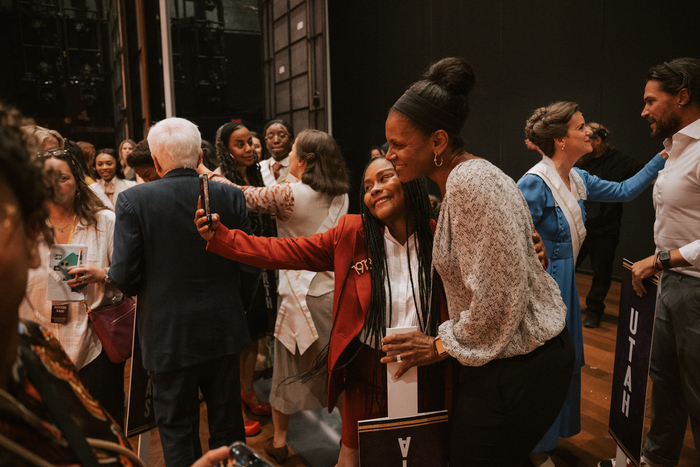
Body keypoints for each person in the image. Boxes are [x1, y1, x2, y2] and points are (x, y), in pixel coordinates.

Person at [380, 57, 575, 467]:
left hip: (519, 366)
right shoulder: (466, 179)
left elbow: (498, 297)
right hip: (513, 360)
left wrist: (438, 344)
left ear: (437, 142)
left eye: (398, 144)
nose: (389, 155)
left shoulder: (469, 182)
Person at [196, 156, 450, 467]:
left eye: (384, 179)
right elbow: (282, 251)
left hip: (429, 367)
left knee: (425, 454)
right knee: (350, 458)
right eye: (368, 186)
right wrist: (221, 237)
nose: (375, 190)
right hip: (368, 371)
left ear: (409, 179)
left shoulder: (438, 235)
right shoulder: (351, 233)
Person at [519, 102, 666, 466]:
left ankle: (550, 436)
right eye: (581, 127)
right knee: (545, 366)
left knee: (567, 363)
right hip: (545, 288)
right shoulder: (534, 183)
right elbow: (515, 242)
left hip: (567, 286)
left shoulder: (579, 178)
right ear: (560, 140)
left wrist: (664, 156)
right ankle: (535, 448)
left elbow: (627, 190)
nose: (590, 133)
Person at [108, 117, 253, 467]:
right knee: (229, 430)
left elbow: (124, 277)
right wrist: (237, 307)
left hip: (167, 334)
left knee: (177, 431)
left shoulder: (133, 201)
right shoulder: (231, 194)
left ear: (156, 162)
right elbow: (251, 264)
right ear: (199, 154)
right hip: (224, 328)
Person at [203, 128, 350, 464]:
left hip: (300, 295)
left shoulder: (290, 195)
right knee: (339, 370)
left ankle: (280, 441)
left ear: (306, 159)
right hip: (333, 293)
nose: (289, 159)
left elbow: (241, 194)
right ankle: (349, 442)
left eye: (295, 151)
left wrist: (203, 172)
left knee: (286, 369)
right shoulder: (340, 193)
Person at [611, 57, 700, 467]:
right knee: (664, 386)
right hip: (672, 286)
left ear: (682, 96)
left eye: (651, 101)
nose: (643, 111)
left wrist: (661, 259)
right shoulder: (672, 151)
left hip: (694, 289)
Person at [18, 141, 128, 427]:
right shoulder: (23, 229)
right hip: (42, 350)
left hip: (94, 345)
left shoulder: (105, 222)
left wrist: (101, 273)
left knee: (104, 426)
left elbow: (129, 273)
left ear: (78, 183)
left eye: (63, 178)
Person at [214, 122, 276, 436]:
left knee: (254, 334)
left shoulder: (258, 174)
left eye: (250, 142)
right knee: (236, 338)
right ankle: (233, 407)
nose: (249, 148)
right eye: (240, 144)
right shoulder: (217, 178)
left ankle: (247, 391)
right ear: (226, 148)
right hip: (235, 268)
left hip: (262, 263)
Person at [574, 123, 645, 328]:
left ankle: (594, 310)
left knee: (602, 273)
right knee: (568, 266)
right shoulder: (580, 160)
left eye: (589, 138)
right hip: (580, 226)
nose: (584, 141)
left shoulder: (620, 161)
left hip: (606, 230)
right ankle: (562, 304)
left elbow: (643, 176)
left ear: (598, 140)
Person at [259, 119, 294, 185]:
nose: (276, 141)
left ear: (291, 141)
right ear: (266, 143)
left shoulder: (299, 167)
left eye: (282, 136)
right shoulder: (260, 167)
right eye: (270, 137)